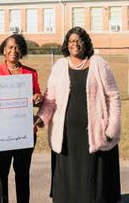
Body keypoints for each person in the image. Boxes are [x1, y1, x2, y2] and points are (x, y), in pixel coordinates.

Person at [35, 26, 121, 203]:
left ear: (85, 43)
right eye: (71, 41)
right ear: (67, 44)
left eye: (79, 40)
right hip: (66, 133)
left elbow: (113, 96)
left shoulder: (98, 64)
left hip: (94, 132)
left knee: (91, 179)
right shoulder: (59, 66)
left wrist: (112, 127)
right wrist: (41, 117)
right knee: (70, 176)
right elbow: (50, 98)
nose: (75, 44)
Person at [0, 34, 43, 203]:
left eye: (17, 47)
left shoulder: (30, 73)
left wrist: (37, 98)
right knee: (0, 177)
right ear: (4, 50)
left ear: (22, 50)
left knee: (23, 176)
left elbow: (37, 94)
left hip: (24, 133)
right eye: (10, 47)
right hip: (0, 134)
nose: (13, 50)